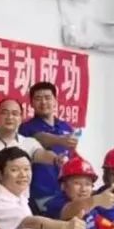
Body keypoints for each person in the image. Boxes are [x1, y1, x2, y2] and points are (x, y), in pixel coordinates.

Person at [0, 147, 86, 229]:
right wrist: (66, 226)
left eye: (26, 169)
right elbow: (32, 223)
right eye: (14, 170)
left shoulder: (21, 198)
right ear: (0, 174)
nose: (23, 175)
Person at [19, 82, 78, 212]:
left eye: (47, 97)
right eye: (38, 98)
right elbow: (39, 138)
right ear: (31, 103)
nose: (43, 102)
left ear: (55, 100)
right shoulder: (26, 128)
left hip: (66, 192)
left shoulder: (66, 127)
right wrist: (60, 140)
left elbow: (73, 155)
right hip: (42, 194)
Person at [45, 156, 114, 229]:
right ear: (63, 186)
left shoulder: (90, 206)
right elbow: (70, 209)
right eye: (77, 183)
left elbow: (101, 222)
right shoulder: (57, 203)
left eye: (88, 184)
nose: (83, 189)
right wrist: (97, 200)